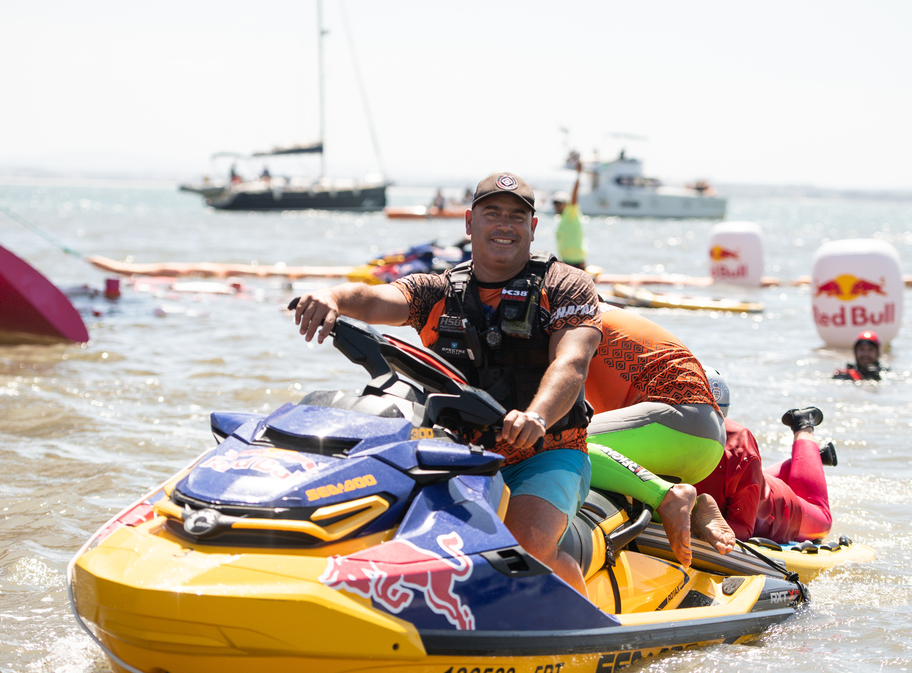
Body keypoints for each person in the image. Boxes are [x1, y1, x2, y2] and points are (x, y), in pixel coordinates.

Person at [293, 172, 603, 595]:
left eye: (516, 217)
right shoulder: (437, 290)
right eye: (492, 213)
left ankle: (585, 633)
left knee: (527, 545)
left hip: (547, 452)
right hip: (454, 453)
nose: (504, 225)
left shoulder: (565, 284)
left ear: (532, 228)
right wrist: (334, 298)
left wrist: (537, 415)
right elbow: (378, 299)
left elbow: (572, 363)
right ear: (469, 222)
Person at [582, 304, 733, 566]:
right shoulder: (592, 309)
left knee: (553, 445)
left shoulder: (563, 317)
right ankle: (693, 509)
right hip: (706, 441)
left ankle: (667, 497)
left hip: (675, 425)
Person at [695, 371, 836, 543]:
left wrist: (698, 524)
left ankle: (803, 426)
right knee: (749, 475)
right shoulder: (659, 426)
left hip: (777, 510)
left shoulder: (739, 444)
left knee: (823, 522)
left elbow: (745, 527)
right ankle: (811, 459)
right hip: (750, 480)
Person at [552, 158, 587, 269]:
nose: (557, 206)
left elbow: (574, 196)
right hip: (565, 261)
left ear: (566, 204)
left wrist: (578, 175)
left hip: (577, 262)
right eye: (555, 203)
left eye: (560, 203)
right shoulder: (560, 219)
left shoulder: (571, 213)